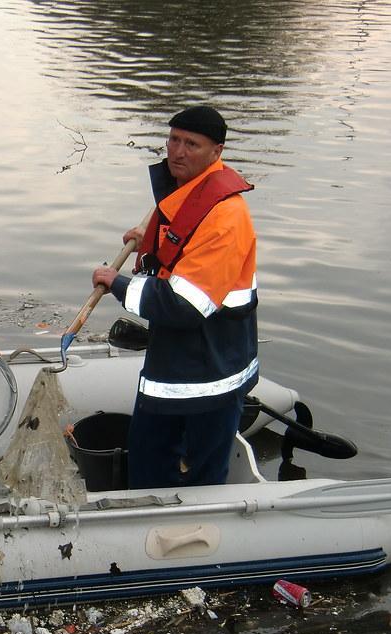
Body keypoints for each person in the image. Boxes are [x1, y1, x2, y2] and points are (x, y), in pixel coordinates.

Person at [92, 105, 258, 489]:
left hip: (209, 371)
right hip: (175, 361)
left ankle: (196, 519)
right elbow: (182, 247)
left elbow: (183, 304)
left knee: (200, 472)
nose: (178, 152)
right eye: (173, 139)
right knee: (147, 455)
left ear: (216, 151)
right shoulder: (189, 192)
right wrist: (148, 240)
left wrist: (117, 283)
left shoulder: (226, 217)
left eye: (191, 144)